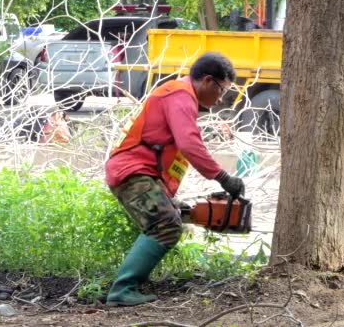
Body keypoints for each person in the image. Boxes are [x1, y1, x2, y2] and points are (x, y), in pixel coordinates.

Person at [104, 52, 245, 306]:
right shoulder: (181, 96)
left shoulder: (180, 95)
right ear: (208, 81)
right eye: (222, 90)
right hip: (132, 171)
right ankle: (122, 290)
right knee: (165, 225)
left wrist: (169, 196)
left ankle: (126, 287)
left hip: (140, 172)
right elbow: (189, 144)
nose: (221, 98)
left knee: (173, 216)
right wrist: (223, 177)